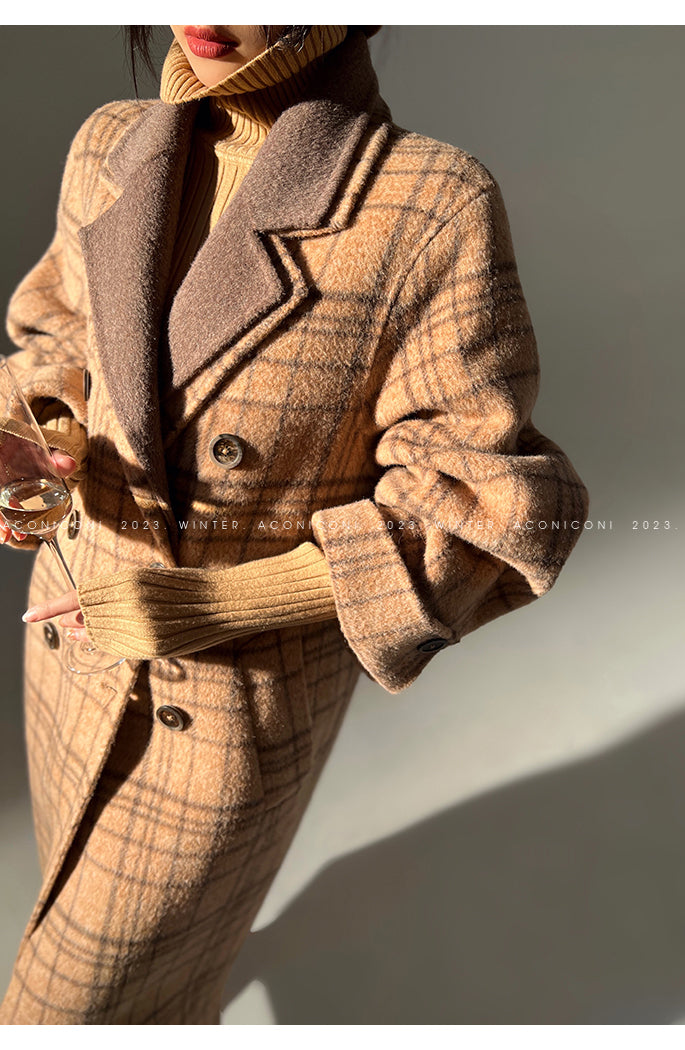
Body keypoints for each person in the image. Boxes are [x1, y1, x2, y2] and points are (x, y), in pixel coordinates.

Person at [0, 25, 589, 1024]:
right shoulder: (111, 142)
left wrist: (216, 603)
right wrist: (42, 431)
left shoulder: (429, 202)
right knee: (126, 977)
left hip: (227, 703)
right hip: (70, 638)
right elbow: (60, 332)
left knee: (61, 1012)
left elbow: (489, 504)